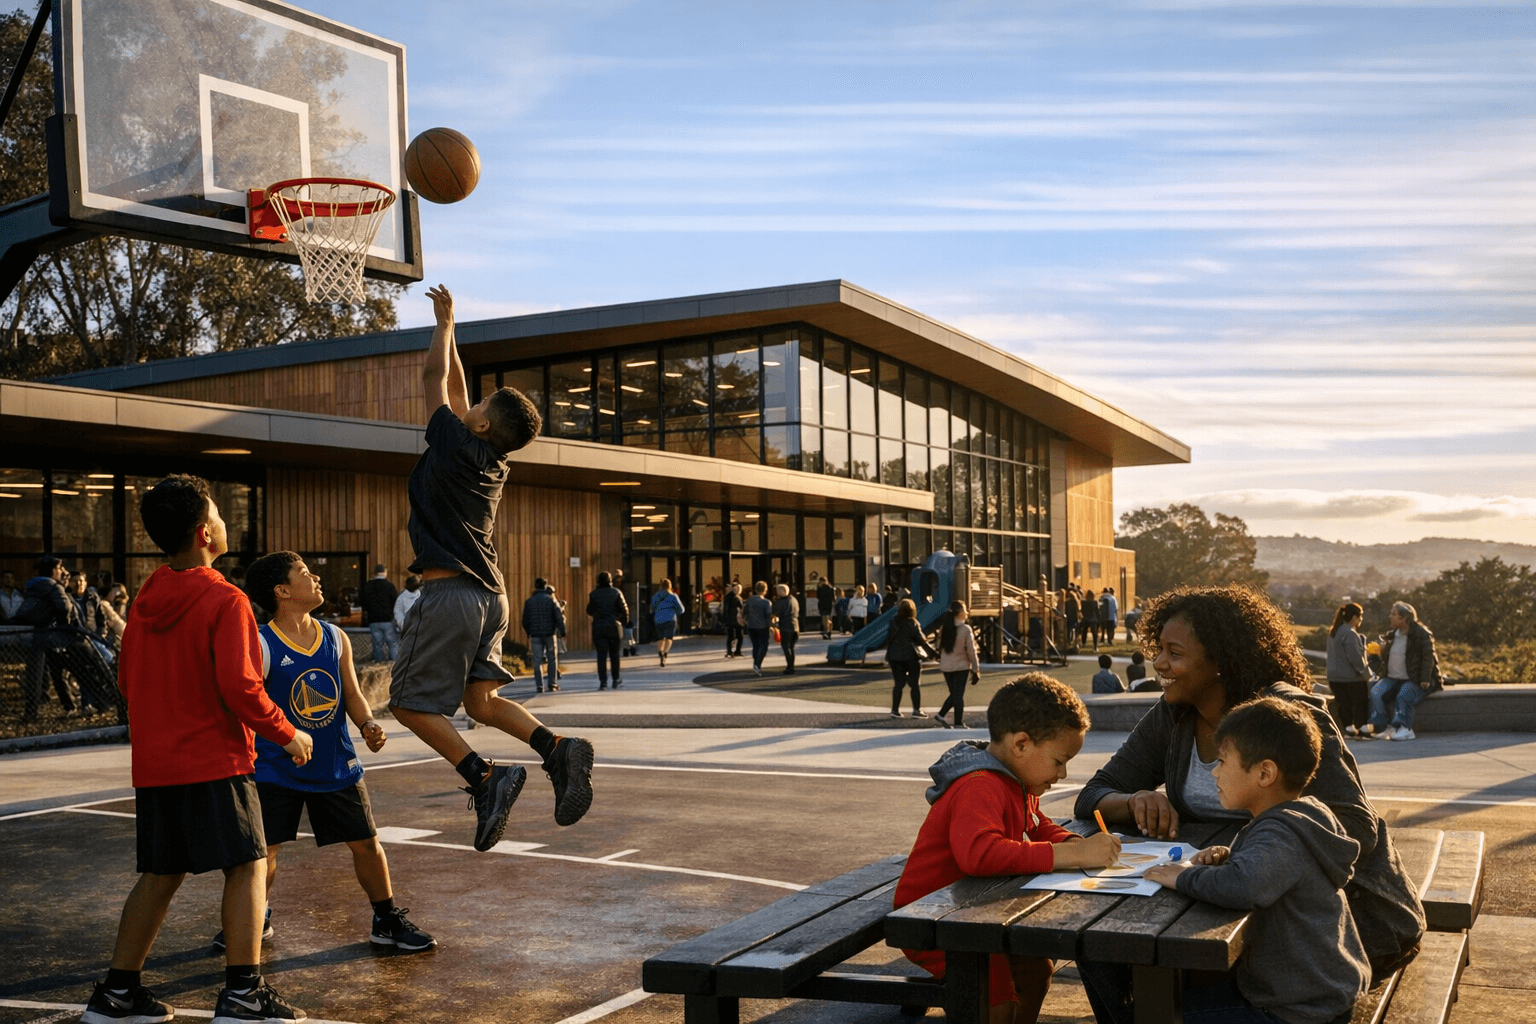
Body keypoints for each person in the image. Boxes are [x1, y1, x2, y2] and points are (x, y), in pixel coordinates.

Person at [1072, 585, 1424, 1024]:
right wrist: (1133, 799)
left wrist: (1252, 853)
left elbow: (1356, 825)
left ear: (1220, 660)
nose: (1158, 663)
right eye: (1158, 649)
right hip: (1217, 890)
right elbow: (1093, 794)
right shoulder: (1174, 714)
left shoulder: (1285, 719)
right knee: (1094, 942)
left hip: (1314, 931)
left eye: (1174, 652)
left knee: (1157, 981)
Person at [80, 475, 314, 1024]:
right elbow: (241, 687)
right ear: (206, 532)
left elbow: (126, 680)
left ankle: (117, 993)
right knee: (250, 865)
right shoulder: (225, 598)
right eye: (220, 514)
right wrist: (288, 732)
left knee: (161, 874)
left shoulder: (144, 599)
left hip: (157, 763)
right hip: (214, 759)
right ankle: (242, 994)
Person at [387, 284, 595, 854]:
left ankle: (486, 777)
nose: (469, 404)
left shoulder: (456, 444)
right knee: (478, 703)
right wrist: (451, 322)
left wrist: (443, 325)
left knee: (407, 703)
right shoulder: (490, 461)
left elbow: (436, 381)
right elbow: (456, 392)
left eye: (477, 408)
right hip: (491, 596)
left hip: (451, 591)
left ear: (478, 426)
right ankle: (555, 749)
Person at [234, 551, 435, 954]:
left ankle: (386, 918)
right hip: (278, 766)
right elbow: (249, 702)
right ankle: (257, 914)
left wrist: (367, 724)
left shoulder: (333, 636)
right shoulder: (261, 642)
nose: (317, 578)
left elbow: (352, 695)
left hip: (335, 762)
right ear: (283, 591)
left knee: (366, 843)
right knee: (264, 853)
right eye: (305, 573)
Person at [894, 674, 1121, 1024]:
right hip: (933, 918)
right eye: (1059, 761)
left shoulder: (1015, 779)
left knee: (1036, 971)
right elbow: (980, 853)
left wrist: (1076, 842)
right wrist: (1073, 856)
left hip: (973, 910)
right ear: (1021, 745)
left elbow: (1037, 823)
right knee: (995, 1000)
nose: (1062, 774)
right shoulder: (980, 785)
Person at [1144, 698, 1370, 1024]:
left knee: (1151, 1015)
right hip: (1313, 992)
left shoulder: (1281, 831)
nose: (1215, 772)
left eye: (1222, 762)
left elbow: (1243, 886)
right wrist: (1229, 855)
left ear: (1264, 773)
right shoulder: (1299, 817)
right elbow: (1261, 869)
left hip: (1297, 1010)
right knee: (1167, 1002)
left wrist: (1180, 876)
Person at [1365, 602, 1442, 742]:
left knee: (1404, 695)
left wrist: (1425, 679)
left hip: (1414, 679)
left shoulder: (1421, 635)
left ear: (1405, 618)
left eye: (1394, 614)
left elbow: (1428, 658)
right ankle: (1385, 727)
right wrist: (1375, 655)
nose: (1390, 617)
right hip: (1393, 678)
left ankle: (1405, 729)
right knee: (1376, 692)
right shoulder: (1392, 636)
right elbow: (1382, 665)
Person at [887, 597, 939, 719]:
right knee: (915, 684)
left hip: (895, 656)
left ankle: (895, 710)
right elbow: (921, 641)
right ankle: (916, 710)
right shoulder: (913, 623)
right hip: (911, 656)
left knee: (898, 684)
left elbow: (889, 638)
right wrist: (934, 654)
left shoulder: (893, 622)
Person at [1327, 602, 1371, 738]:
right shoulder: (1350, 633)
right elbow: (1356, 659)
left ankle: (1348, 729)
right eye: (1361, 616)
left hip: (1334, 677)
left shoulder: (1333, 632)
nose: (1361, 620)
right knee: (1361, 701)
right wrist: (1367, 674)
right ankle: (1363, 728)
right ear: (1354, 617)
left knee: (1344, 703)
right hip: (1350, 678)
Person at [935, 600, 980, 729]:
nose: (966, 612)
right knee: (958, 695)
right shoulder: (965, 629)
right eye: (964, 610)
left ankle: (943, 716)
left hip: (946, 666)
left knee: (955, 694)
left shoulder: (945, 628)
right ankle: (957, 722)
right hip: (961, 666)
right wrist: (976, 669)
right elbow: (971, 651)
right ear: (960, 613)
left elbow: (939, 646)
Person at [522, 577, 566, 693]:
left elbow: (525, 620)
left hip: (535, 634)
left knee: (537, 660)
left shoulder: (529, 601)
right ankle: (552, 684)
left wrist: (529, 632)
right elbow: (558, 616)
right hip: (549, 633)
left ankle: (539, 686)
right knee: (552, 658)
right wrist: (562, 630)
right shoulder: (551, 600)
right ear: (545, 586)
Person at [587, 571, 628, 690]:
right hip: (613, 626)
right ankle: (616, 679)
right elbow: (624, 609)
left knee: (601, 655)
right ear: (610, 580)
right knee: (615, 654)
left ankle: (603, 682)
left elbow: (589, 610)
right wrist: (624, 622)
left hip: (599, 626)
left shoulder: (594, 594)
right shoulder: (616, 592)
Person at [359, 565, 399, 664]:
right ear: (385, 572)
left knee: (377, 644)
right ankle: (393, 665)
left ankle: (378, 664)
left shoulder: (368, 585)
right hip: (388, 619)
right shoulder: (389, 585)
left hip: (373, 619)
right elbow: (395, 601)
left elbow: (362, 601)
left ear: (375, 573)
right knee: (392, 643)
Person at [650, 578, 685, 667]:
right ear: (670, 586)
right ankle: (665, 654)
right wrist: (674, 610)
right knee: (669, 638)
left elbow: (652, 607)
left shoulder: (655, 596)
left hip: (658, 619)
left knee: (660, 638)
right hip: (670, 619)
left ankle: (660, 652)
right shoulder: (673, 596)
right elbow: (681, 609)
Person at [743, 581, 774, 677]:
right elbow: (769, 615)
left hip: (751, 626)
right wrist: (772, 625)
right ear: (765, 590)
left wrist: (747, 620)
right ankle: (757, 664)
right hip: (763, 626)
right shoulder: (766, 602)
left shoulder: (750, 600)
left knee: (755, 646)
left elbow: (745, 612)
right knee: (764, 646)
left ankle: (756, 664)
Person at [772, 583, 799, 675]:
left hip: (786, 626)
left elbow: (775, 612)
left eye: (778, 591)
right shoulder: (794, 599)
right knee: (791, 647)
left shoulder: (782, 602)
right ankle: (791, 666)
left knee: (786, 647)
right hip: (795, 626)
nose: (777, 593)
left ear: (783, 591)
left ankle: (790, 667)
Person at [721, 582, 744, 658]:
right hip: (732, 619)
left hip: (735, 619)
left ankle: (734, 651)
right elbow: (726, 609)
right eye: (736, 588)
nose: (738, 590)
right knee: (733, 636)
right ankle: (731, 651)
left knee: (737, 636)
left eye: (739, 589)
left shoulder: (735, 597)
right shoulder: (731, 597)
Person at [1062, 586, 1079, 651]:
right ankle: (1075, 643)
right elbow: (1077, 609)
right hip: (1075, 617)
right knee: (1075, 630)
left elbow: (1065, 609)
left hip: (1068, 617)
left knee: (1068, 630)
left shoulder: (1066, 602)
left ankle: (1068, 642)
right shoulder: (1076, 602)